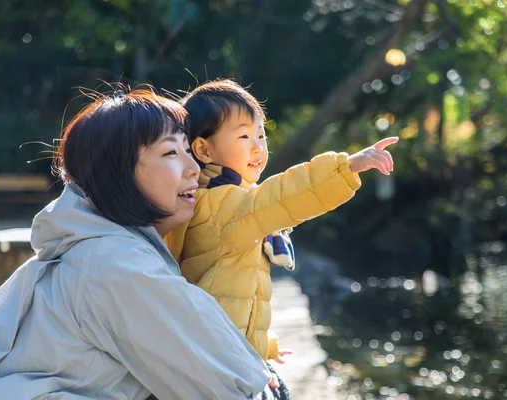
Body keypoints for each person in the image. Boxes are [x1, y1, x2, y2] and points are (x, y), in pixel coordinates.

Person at [0, 87, 273, 399]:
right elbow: (235, 388)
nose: (193, 169)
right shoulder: (117, 265)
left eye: (188, 150)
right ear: (118, 173)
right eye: (170, 153)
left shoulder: (89, 247)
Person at [165, 79, 398, 398]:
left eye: (261, 135)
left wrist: (264, 344)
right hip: (221, 364)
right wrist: (347, 167)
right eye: (244, 135)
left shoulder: (224, 199)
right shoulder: (221, 204)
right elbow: (281, 197)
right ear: (203, 149)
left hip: (225, 354)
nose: (258, 146)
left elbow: (236, 296)